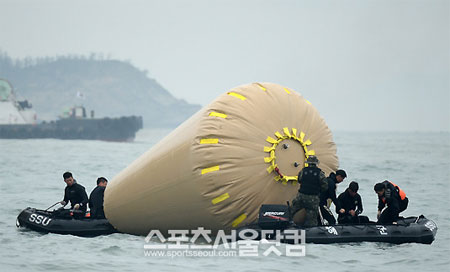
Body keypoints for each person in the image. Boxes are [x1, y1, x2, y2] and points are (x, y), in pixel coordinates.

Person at [291, 155, 328, 228]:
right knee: (312, 217)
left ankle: (285, 224)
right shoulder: (320, 173)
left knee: (292, 210)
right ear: (316, 163)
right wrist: (318, 190)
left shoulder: (303, 171)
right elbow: (325, 186)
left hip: (301, 196)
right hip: (313, 198)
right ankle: (310, 232)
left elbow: (299, 180)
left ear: (308, 163)